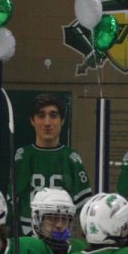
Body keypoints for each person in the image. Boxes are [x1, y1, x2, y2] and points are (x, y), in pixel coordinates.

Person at [13, 93, 92, 236]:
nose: (47, 122)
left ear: (62, 120)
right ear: (32, 120)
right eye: (41, 115)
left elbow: (84, 205)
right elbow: (12, 202)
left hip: (61, 233)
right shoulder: (23, 156)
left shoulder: (70, 158)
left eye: (53, 115)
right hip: (28, 233)